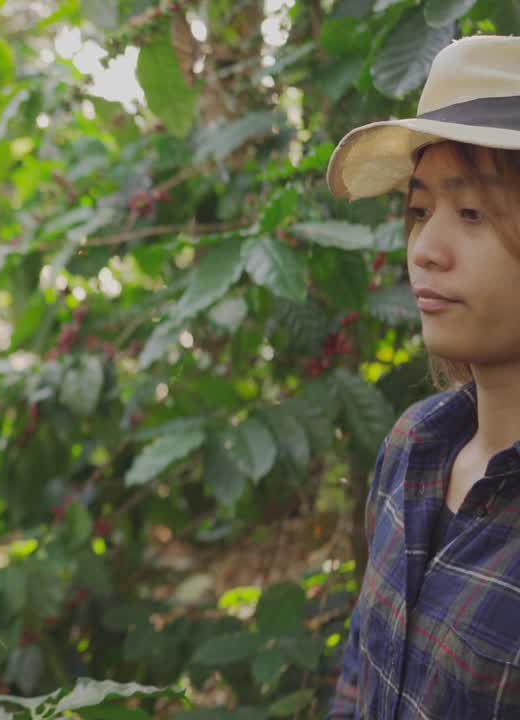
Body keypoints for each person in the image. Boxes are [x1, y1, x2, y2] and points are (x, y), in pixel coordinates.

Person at [326, 34, 520, 719]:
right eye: (418, 211)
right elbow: (358, 678)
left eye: (470, 213)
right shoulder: (413, 447)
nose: (425, 252)